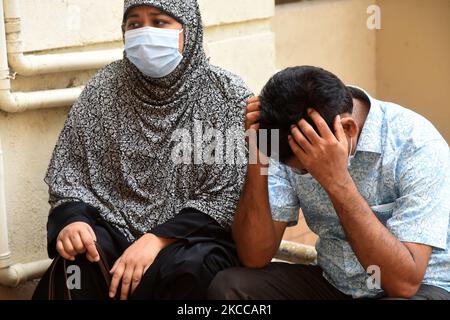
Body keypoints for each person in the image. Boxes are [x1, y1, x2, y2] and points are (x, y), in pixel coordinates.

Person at [33, 0, 252, 300]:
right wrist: (74, 221)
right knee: (78, 261)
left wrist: (158, 239)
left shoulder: (227, 95)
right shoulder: (104, 90)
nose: (145, 33)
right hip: (114, 230)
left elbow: (227, 196)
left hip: (191, 240)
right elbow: (70, 173)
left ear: (190, 28)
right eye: (134, 24)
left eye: (160, 22)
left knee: (187, 270)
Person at [208, 66, 450, 300]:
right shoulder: (290, 137)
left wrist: (337, 181)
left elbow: (403, 284)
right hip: (336, 283)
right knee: (230, 287)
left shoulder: (416, 145)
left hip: (419, 288)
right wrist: (257, 157)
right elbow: (255, 257)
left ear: (348, 128)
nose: (307, 174)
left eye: (308, 169)